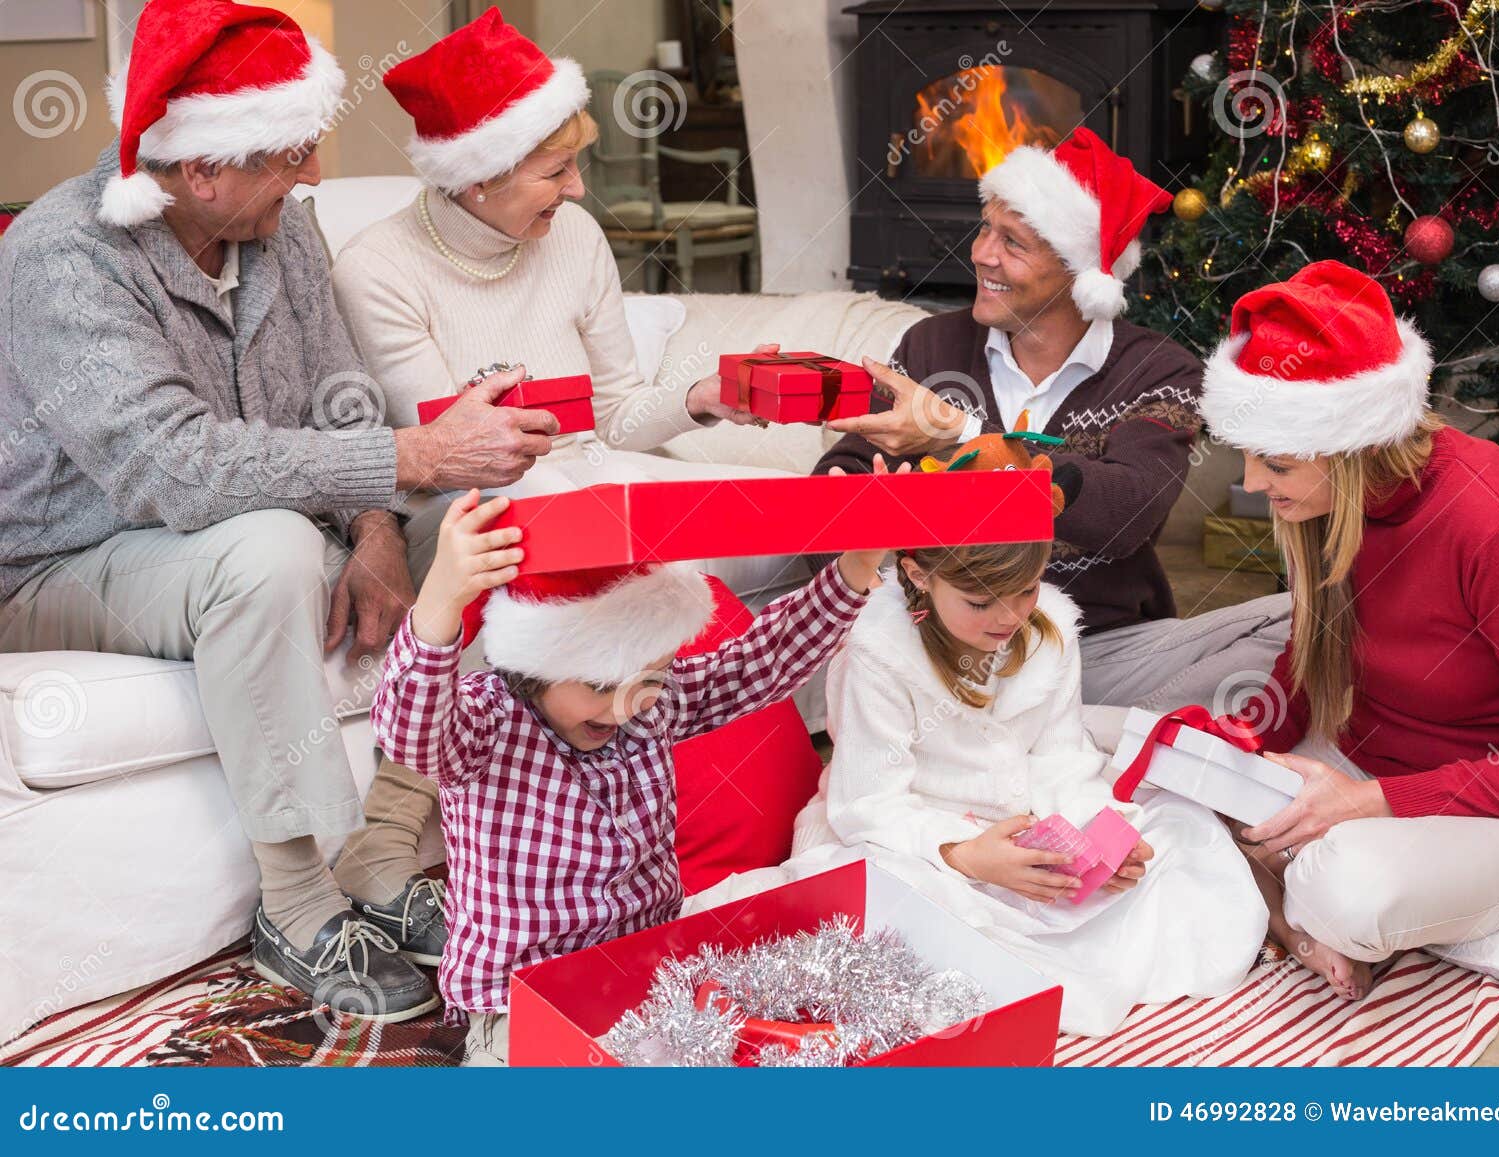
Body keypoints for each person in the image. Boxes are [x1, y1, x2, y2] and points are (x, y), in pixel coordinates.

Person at [0, 0, 547, 1020]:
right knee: (268, 549)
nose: (315, 178)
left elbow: (340, 391)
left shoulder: (279, 231)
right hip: (61, 563)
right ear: (202, 168)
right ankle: (296, 902)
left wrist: (382, 527)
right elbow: (174, 472)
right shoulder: (61, 257)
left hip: (244, 520)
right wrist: (410, 453)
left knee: (479, 527)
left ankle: (387, 855)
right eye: (293, 154)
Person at [370, 472, 897, 1065]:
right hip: (521, 995)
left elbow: (762, 662)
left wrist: (857, 564)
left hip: (648, 968)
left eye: (650, 677)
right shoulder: (485, 726)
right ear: (533, 666)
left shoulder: (655, 705)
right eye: (598, 685)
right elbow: (410, 731)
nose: (628, 704)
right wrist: (440, 603)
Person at [691, 521, 1265, 1035]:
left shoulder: (1049, 633)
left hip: (1027, 838)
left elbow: (1063, 758)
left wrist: (1100, 835)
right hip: (905, 837)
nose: (1009, 617)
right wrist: (965, 856)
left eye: (1025, 591)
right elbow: (867, 803)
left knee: (1185, 834)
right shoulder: (874, 652)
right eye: (979, 601)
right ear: (918, 576)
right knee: (898, 919)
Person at [1200, 260, 1499, 998]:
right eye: (1247, 456)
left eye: (1275, 462)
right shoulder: (1327, 505)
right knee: (1171, 779)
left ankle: (1292, 901)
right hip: (1371, 775)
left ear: (1351, 446)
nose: (1253, 484)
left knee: (1345, 888)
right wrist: (1238, 750)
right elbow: (1306, 662)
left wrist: (1366, 804)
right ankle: (1294, 916)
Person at [813, 128, 1290, 711]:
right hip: (937, 645)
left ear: (1077, 271)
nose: (982, 253)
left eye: (1013, 241)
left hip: (1092, 649)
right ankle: (1038, 731)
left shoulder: (1159, 372)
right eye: (986, 227)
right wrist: (875, 538)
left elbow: (1129, 511)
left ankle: (1037, 727)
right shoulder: (931, 346)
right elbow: (841, 482)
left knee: (1288, 622)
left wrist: (962, 436)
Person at [331, 9, 799, 595]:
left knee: (795, 514)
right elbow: (459, 457)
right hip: (463, 508)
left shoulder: (575, 234)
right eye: (556, 171)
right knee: (607, 523)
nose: (578, 188)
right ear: (481, 176)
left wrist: (698, 397)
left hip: (591, 473)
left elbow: (614, 418)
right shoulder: (377, 269)